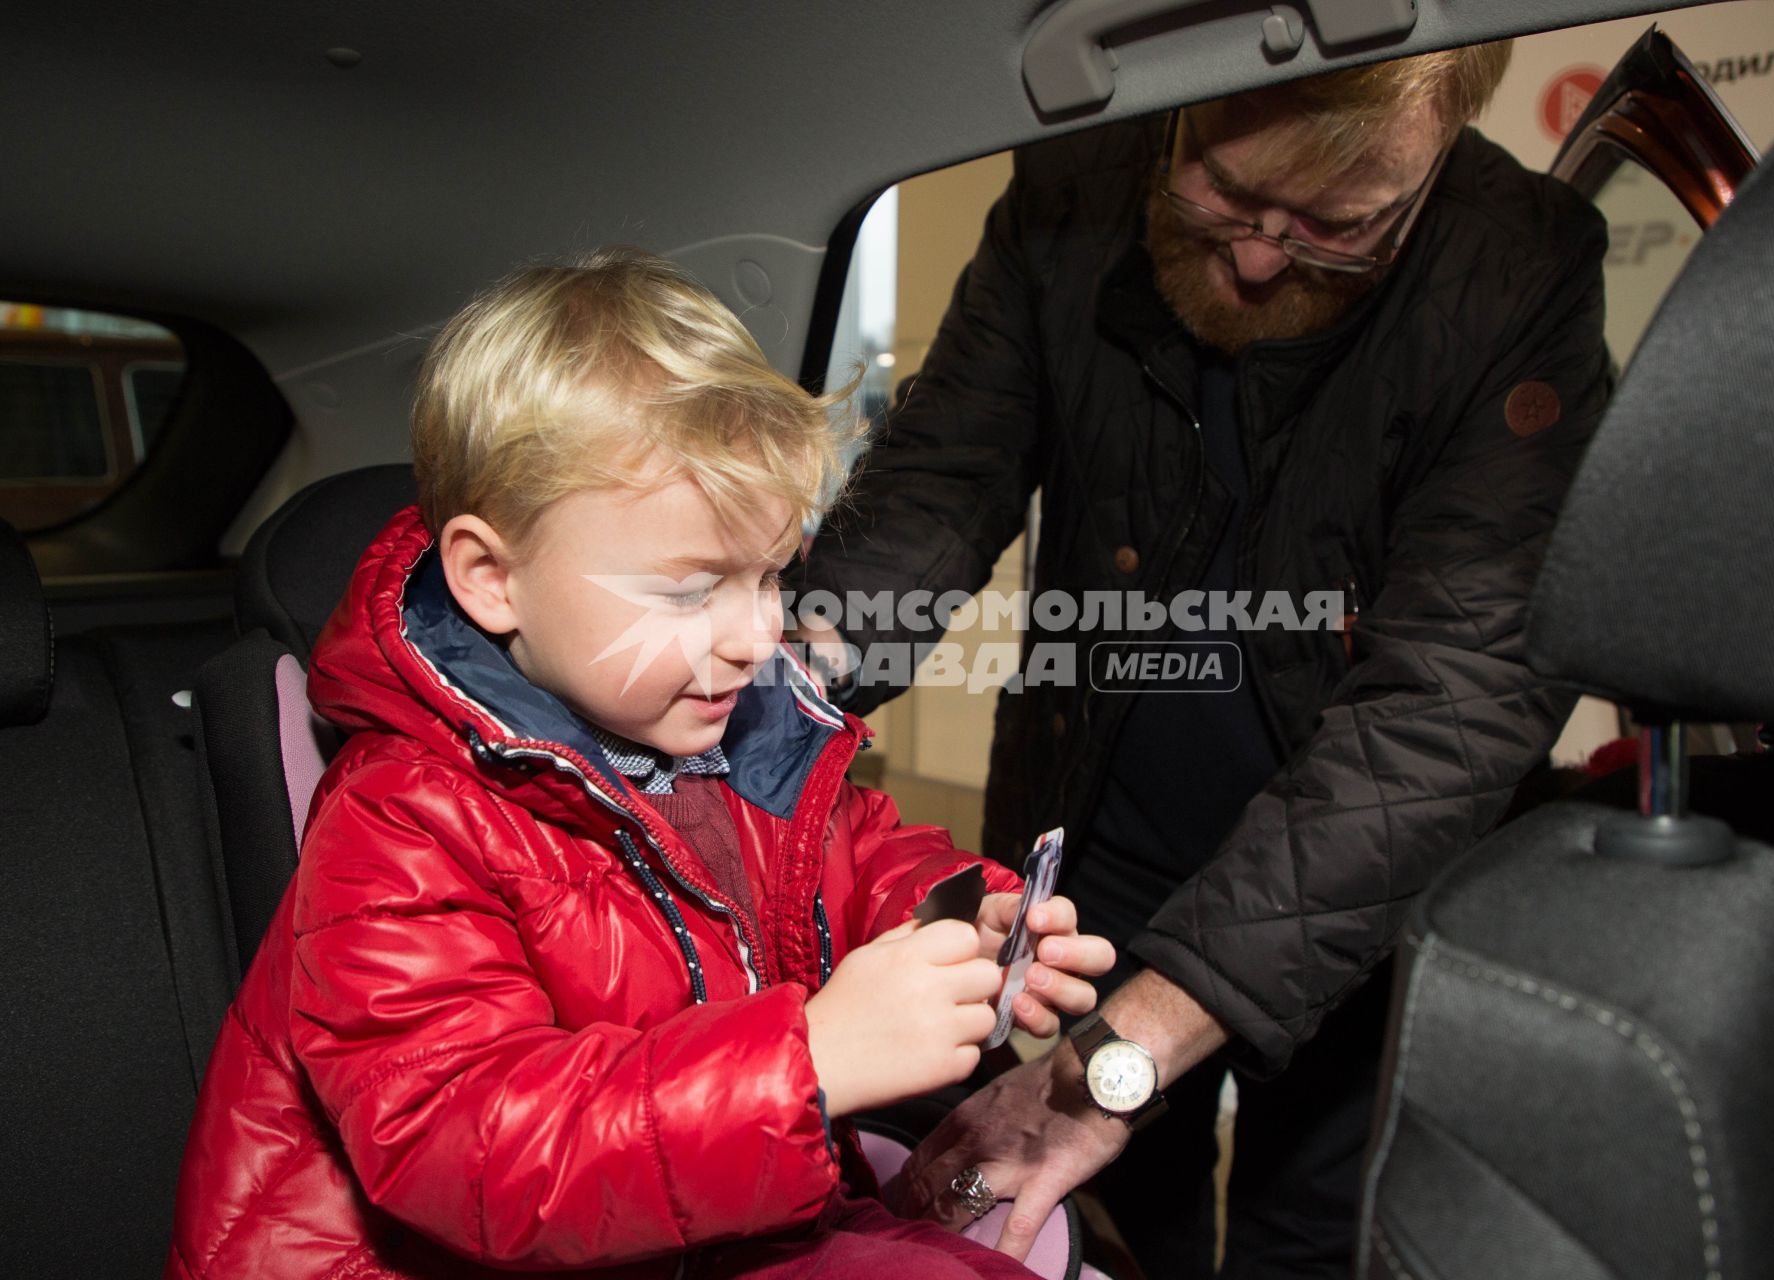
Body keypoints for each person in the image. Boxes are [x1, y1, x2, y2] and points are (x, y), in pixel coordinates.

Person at [792, 44, 1611, 1277]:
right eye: (1222, 198)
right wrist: (768, 698)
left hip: (1366, 900)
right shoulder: (1081, 177)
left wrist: (1110, 1066)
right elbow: (936, 490)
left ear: (1442, 137)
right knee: (1117, 1218)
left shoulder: (1517, 263)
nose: (1262, 258)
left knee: (1312, 1230)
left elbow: (1454, 699)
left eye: (1339, 226)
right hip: (1097, 834)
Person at [165, 248, 1117, 1280]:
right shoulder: (403, 816)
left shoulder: (721, 723)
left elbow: (845, 849)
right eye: (688, 590)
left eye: (769, 577)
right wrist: (808, 1061)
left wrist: (949, 911)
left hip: (696, 1201)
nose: (756, 634)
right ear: (492, 579)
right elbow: (470, 1152)